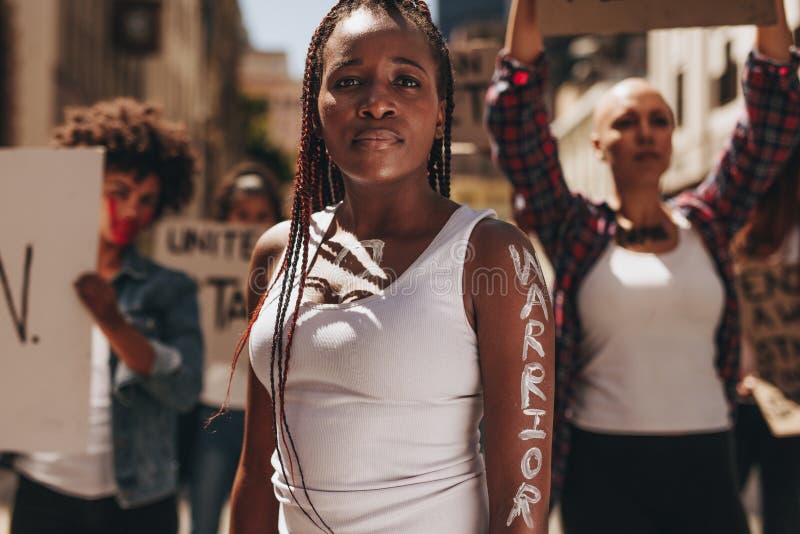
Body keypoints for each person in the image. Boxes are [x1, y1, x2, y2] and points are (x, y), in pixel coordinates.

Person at [228, 1, 555, 533]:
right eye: (350, 80)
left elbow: (520, 501)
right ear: (317, 105)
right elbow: (259, 466)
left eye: (405, 81)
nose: (376, 102)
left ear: (441, 108)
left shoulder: (494, 256)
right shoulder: (276, 253)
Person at [485, 1, 799, 533]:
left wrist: (765, 9)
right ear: (598, 143)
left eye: (659, 121)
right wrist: (529, 6)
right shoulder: (574, 228)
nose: (646, 132)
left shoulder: (710, 222)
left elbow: (771, 116)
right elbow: (518, 126)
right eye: (626, 122)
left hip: (708, 461)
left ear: (673, 139)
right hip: (601, 467)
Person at [10, 98, 203, 534]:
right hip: (43, 492)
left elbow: (185, 388)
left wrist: (114, 323)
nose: (133, 210)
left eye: (148, 199)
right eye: (119, 192)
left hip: (138, 502)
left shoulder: (171, 289)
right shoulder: (30, 275)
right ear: (87, 186)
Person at [189, 161, 284, 534]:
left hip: (266, 412)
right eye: (241, 214)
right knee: (205, 512)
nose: (249, 224)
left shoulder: (286, 266)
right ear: (223, 218)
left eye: (260, 216)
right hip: (215, 408)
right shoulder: (196, 267)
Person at [732, 150, 800, 534]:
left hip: (792, 404)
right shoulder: (740, 239)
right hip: (745, 397)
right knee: (721, 508)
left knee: (785, 513)